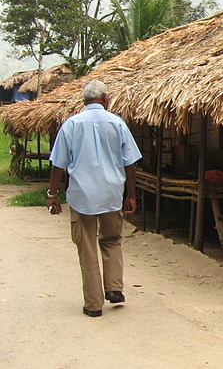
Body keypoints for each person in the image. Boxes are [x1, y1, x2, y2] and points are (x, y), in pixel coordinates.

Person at [46, 80, 142, 317]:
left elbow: (58, 164)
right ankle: (114, 288)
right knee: (112, 240)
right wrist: (132, 195)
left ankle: (93, 305)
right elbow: (130, 163)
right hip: (111, 194)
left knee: (87, 247)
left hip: (82, 197)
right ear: (106, 99)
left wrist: (52, 194)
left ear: (84, 101)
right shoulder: (117, 123)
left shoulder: (71, 124)